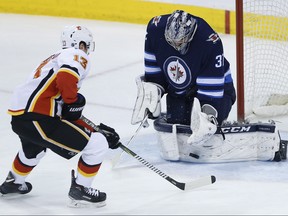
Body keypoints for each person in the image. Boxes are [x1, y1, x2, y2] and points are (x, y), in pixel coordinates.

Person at [131, 10, 287, 163]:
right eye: (172, 41)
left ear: (190, 36)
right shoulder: (155, 28)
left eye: (181, 41)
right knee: (178, 126)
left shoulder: (209, 41)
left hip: (218, 92)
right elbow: (154, 73)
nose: (176, 45)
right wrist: (152, 93)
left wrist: (208, 117)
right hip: (179, 91)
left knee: (207, 132)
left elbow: (211, 92)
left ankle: (218, 119)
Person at [0, 25, 121, 208]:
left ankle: (14, 181)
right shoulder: (76, 54)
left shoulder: (54, 58)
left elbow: (66, 112)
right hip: (39, 117)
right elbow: (66, 80)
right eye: (86, 45)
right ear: (80, 43)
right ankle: (81, 189)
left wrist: (93, 128)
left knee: (34, 148)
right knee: (97, 145)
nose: (87, 50)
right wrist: (73, 101)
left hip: (22, 118)